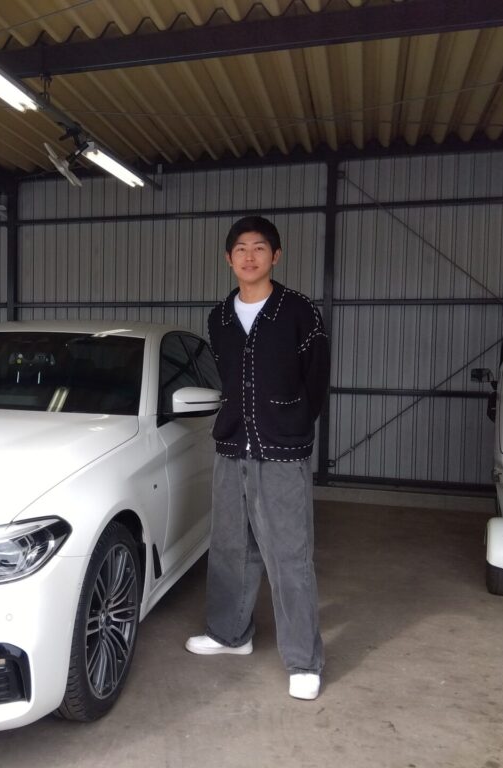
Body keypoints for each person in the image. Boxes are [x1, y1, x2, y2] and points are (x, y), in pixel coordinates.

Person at [186, 215, 330, 701]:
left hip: (282, 450)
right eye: (241, 249)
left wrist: (292, 421)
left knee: (289, 555)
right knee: (230, 547)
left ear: (276, 256)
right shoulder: (220, 318)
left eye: (260, 248)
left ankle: (303, 661)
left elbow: (316, 380)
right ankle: (231, 635)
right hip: (232, 446)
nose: (250, 256)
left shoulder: (299, 312)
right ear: (229, 259)